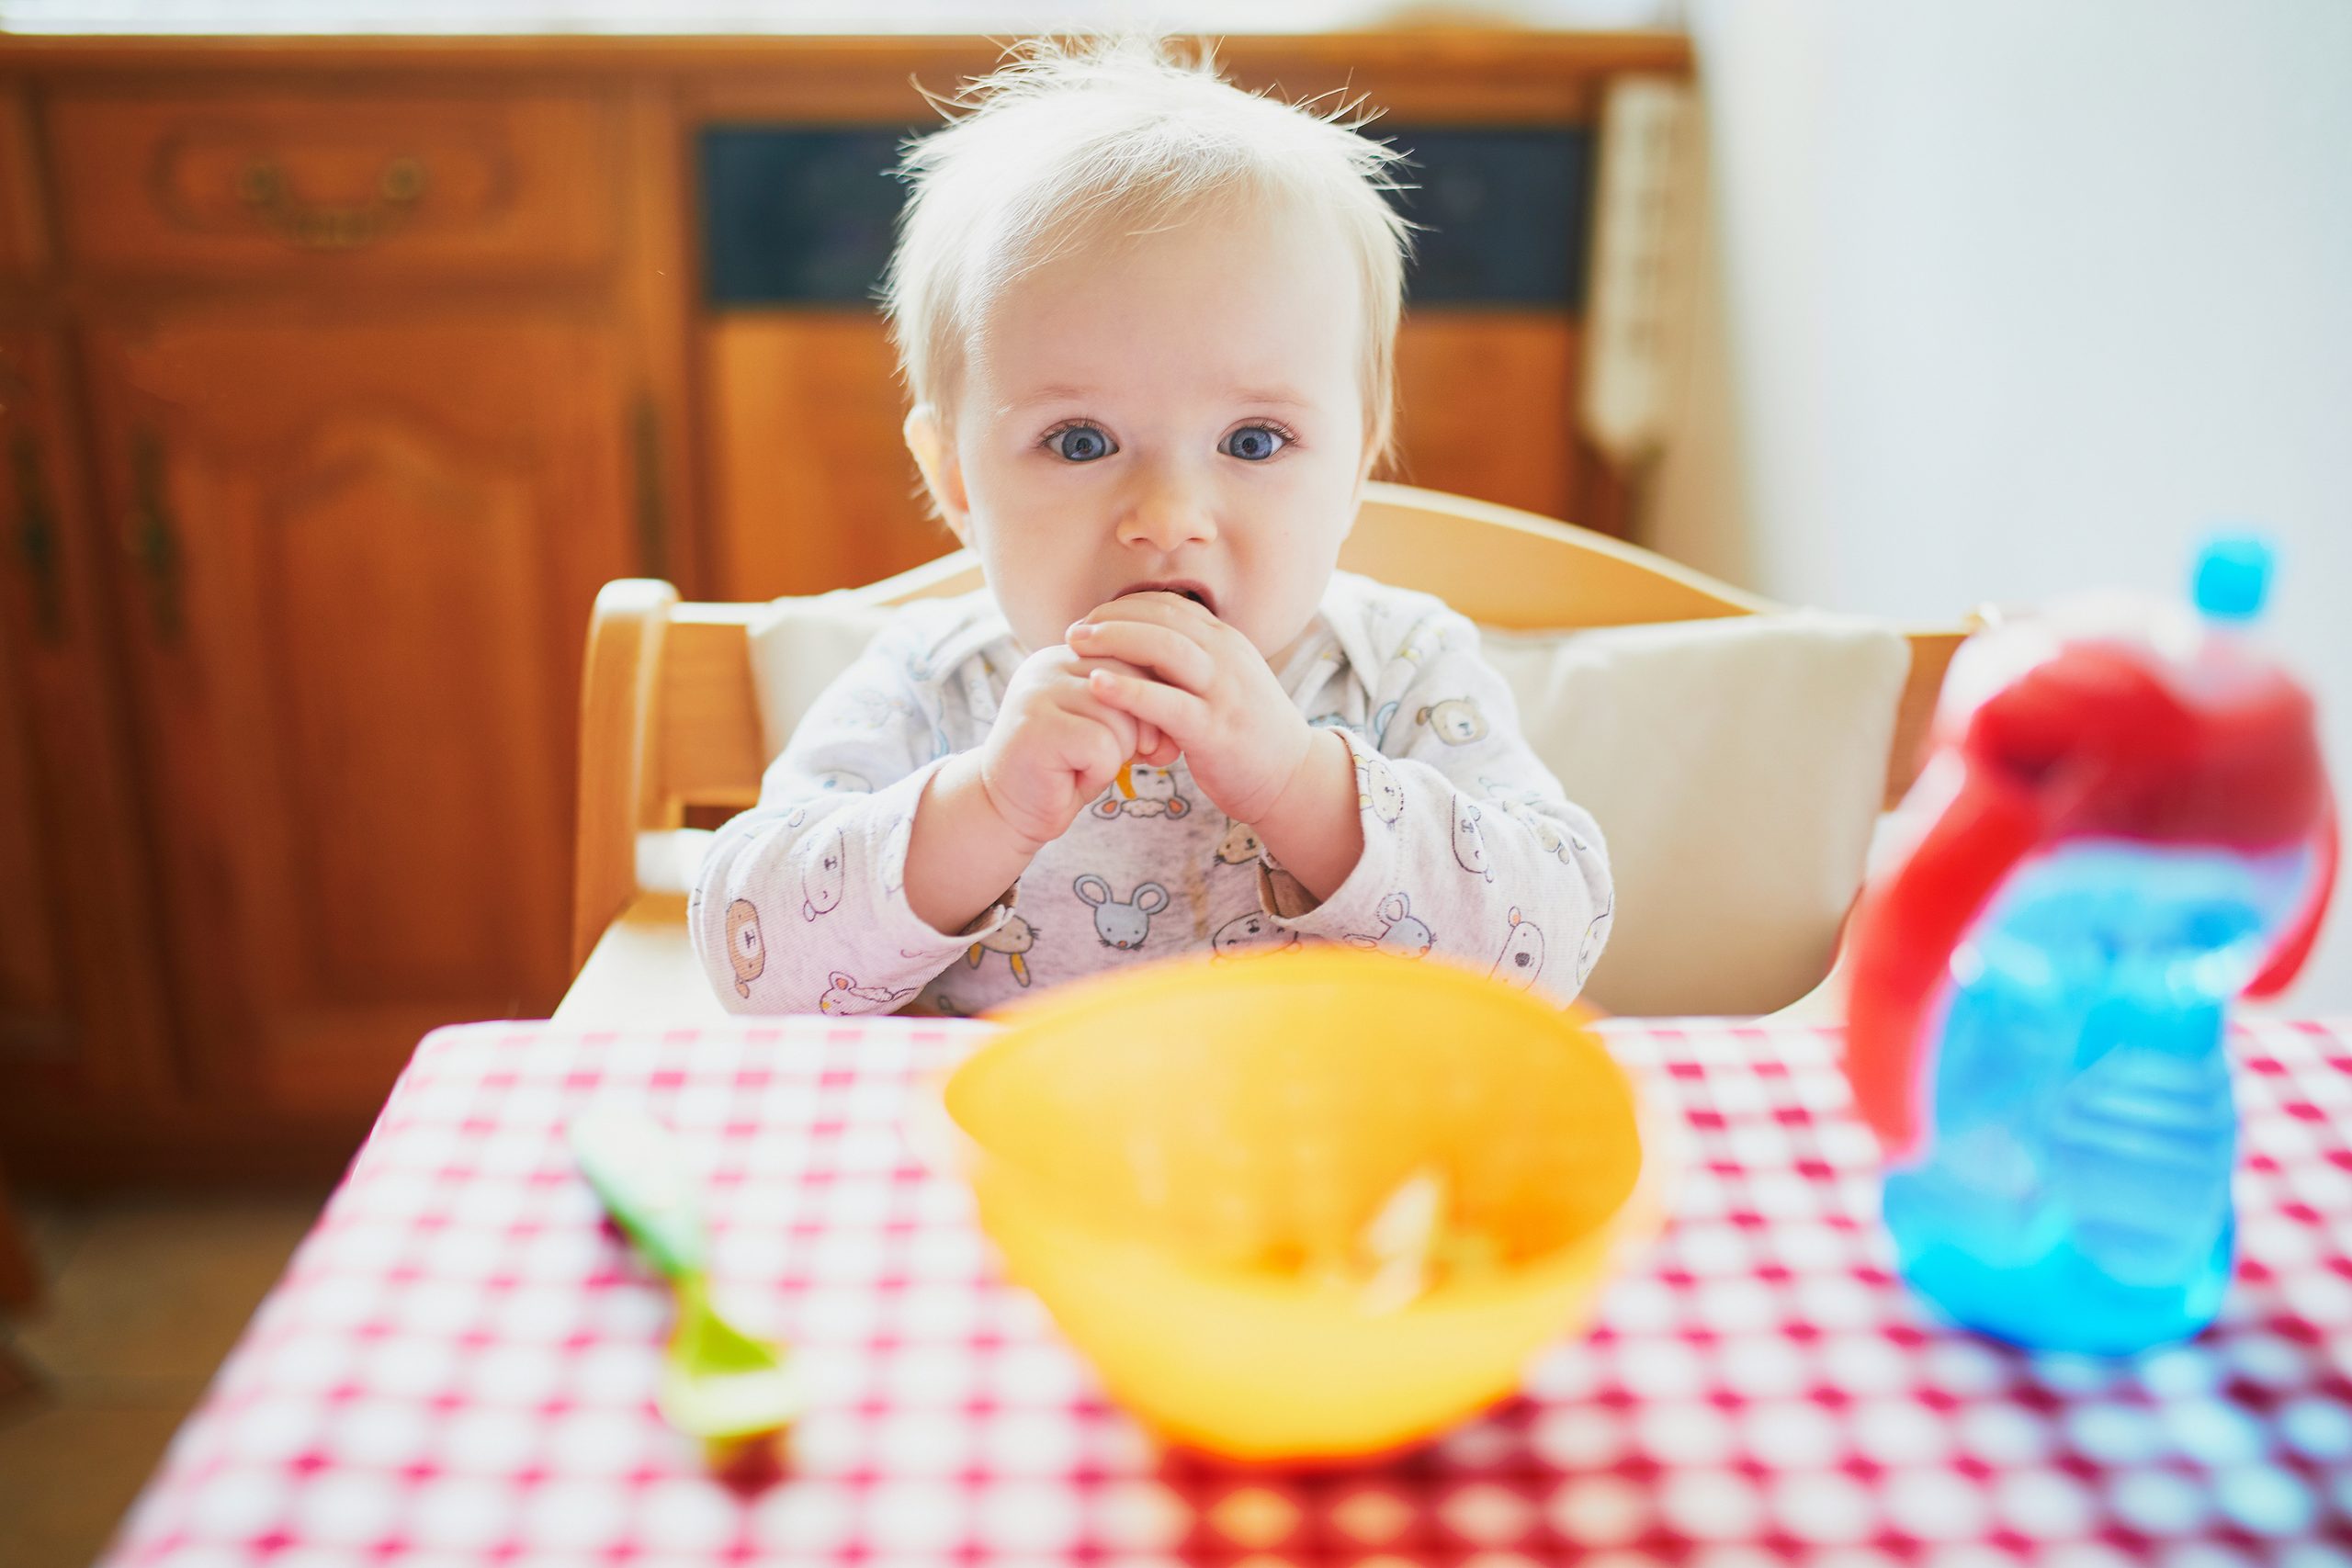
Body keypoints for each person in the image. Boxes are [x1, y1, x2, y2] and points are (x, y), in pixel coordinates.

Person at [691, 36, 1611, 1015]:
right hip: (1013, 1153)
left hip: (1319, 1156)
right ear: (955, 479)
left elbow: (1552, 948)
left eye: (1254, 441)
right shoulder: (928, 688)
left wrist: (1302, 787)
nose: (1167, 517)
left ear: (1355, 466)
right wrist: (985, 811)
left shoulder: (1398, 670)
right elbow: (751, 963)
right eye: (1080, 441)